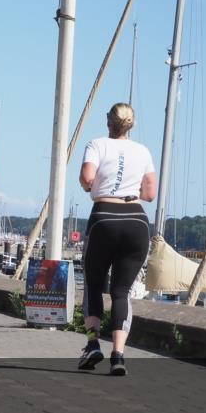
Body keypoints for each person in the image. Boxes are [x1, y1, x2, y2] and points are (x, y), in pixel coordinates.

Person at [77, 103, 156, 376]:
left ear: (108, 121)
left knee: (93, 285)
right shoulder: (143, 151)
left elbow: (87, 178)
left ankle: (92, 344)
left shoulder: (97, 145)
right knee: (121, 292)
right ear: (131, 125)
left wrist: (92, 185)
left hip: (104, 217)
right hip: (136, 221)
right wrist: (128, 189)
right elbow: (150, 194)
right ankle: (118, 355)